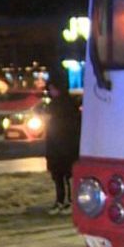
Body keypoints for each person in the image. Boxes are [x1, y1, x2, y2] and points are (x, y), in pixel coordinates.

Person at [44, 69, 80, 215]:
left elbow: (69, 129)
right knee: (60, 176)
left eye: (52, 88)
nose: (50, 91)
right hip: (58, 146)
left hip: (64, 147)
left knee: (65, 176)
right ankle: (62, 202)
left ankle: (67, 202)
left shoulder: (63, 107)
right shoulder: (64, 105)